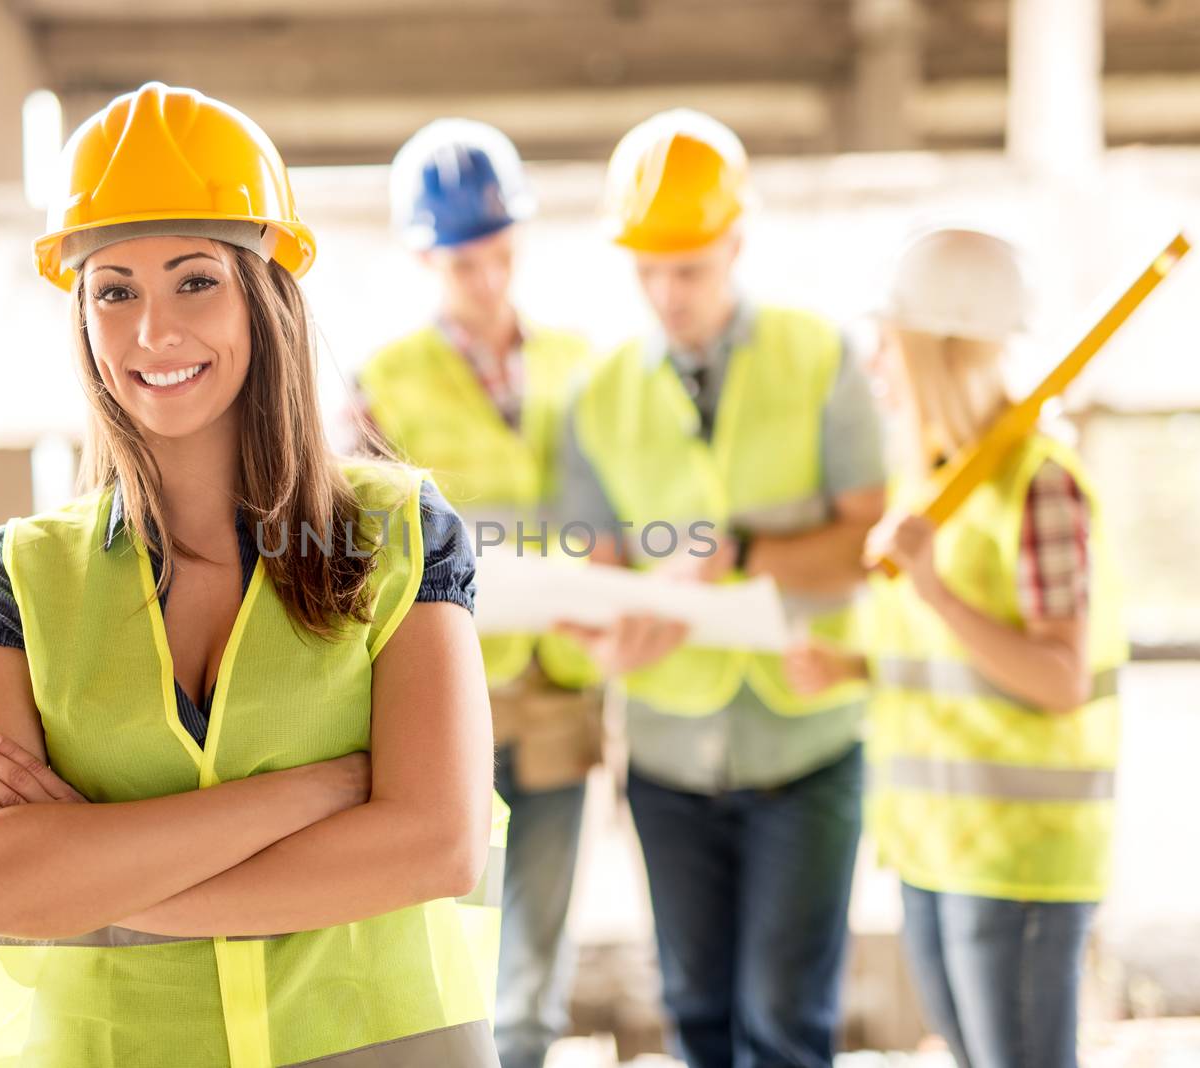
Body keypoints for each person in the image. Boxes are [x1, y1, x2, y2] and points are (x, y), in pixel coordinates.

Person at [0, 82, 505, 1067]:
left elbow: (435, 846)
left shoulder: (400, 535)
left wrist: (97, 878)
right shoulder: (19, 580)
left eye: (194, 280)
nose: (152, 330)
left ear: (266, 292)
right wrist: (321, 792)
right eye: (114, 289)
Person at [555, 109, 886, 1068]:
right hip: (665, 755)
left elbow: (869, 541)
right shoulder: (598, 392)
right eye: (648, 269)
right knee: (696, 1015)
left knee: (786, 1024)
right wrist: (606, 639)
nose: (668, 292)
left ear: (736, 241)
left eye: (690, 267)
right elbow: (597, 572)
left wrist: (741, 554)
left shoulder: (820, 355)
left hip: (806, 742)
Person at [785, 227, 1127, 1068]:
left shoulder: (1039, 486)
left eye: (886, 348)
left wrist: (934, 589)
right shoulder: (933, 483)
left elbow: (1058, 677)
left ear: (937, 351)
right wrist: (855, 667)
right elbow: (950, 661)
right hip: (933, 844)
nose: (874, 371)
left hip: (1016, 856)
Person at [356, 118, 604, 1068]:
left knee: (537, 952)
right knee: (451, 941)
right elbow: (363, 541)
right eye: (465, 262)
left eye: (500, 252)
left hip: (561, 679)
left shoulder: (581, 364)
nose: (489, 276)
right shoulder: (385, 383)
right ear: (425, 256)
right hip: (448, 691)